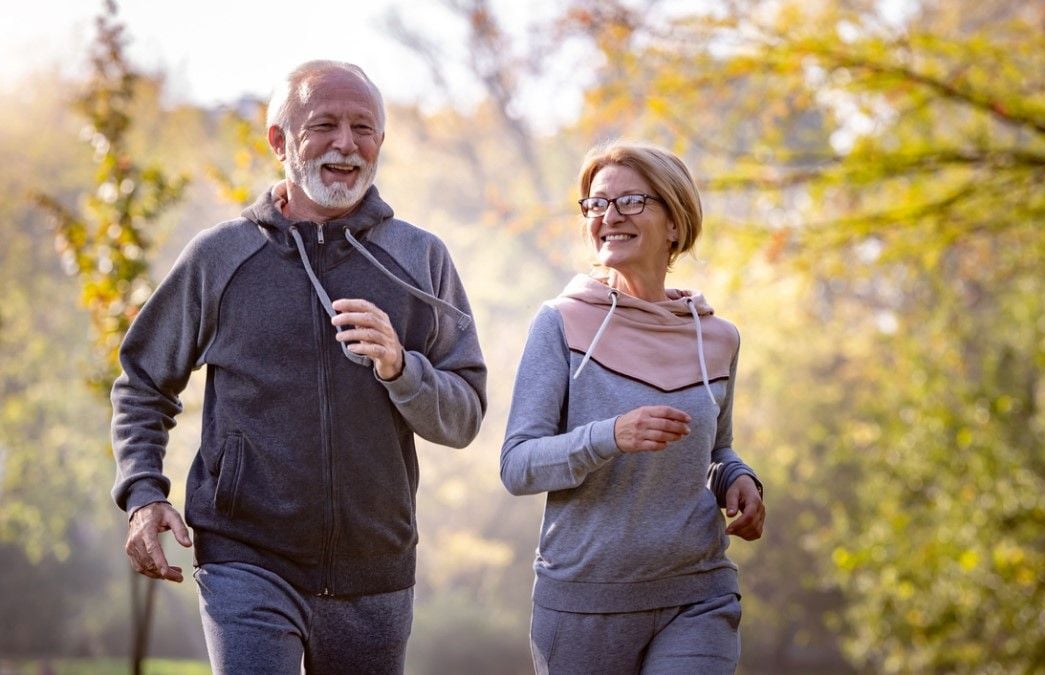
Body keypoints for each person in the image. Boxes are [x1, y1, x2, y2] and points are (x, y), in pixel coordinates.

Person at [111, 60, 487, 674]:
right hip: (246, 555)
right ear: (280, 141)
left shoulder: (420, 258)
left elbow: (464, 416)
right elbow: (143, 385)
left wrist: (401, 368)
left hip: (376, 567)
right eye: (324, 125)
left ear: (381, 144)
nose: (346, 143)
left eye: (363, 127)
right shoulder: (221, 256)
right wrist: (144, 494)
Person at [500, 140, 766, 674]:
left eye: (631, 202)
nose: (609, 216)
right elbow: (518, 465)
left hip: (697, 590)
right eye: (597, 204)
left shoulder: (717, 338)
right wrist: (610, 436)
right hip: (584, 601)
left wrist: (738, 478)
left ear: (675, 222)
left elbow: (714, 451)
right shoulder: (561, 324)